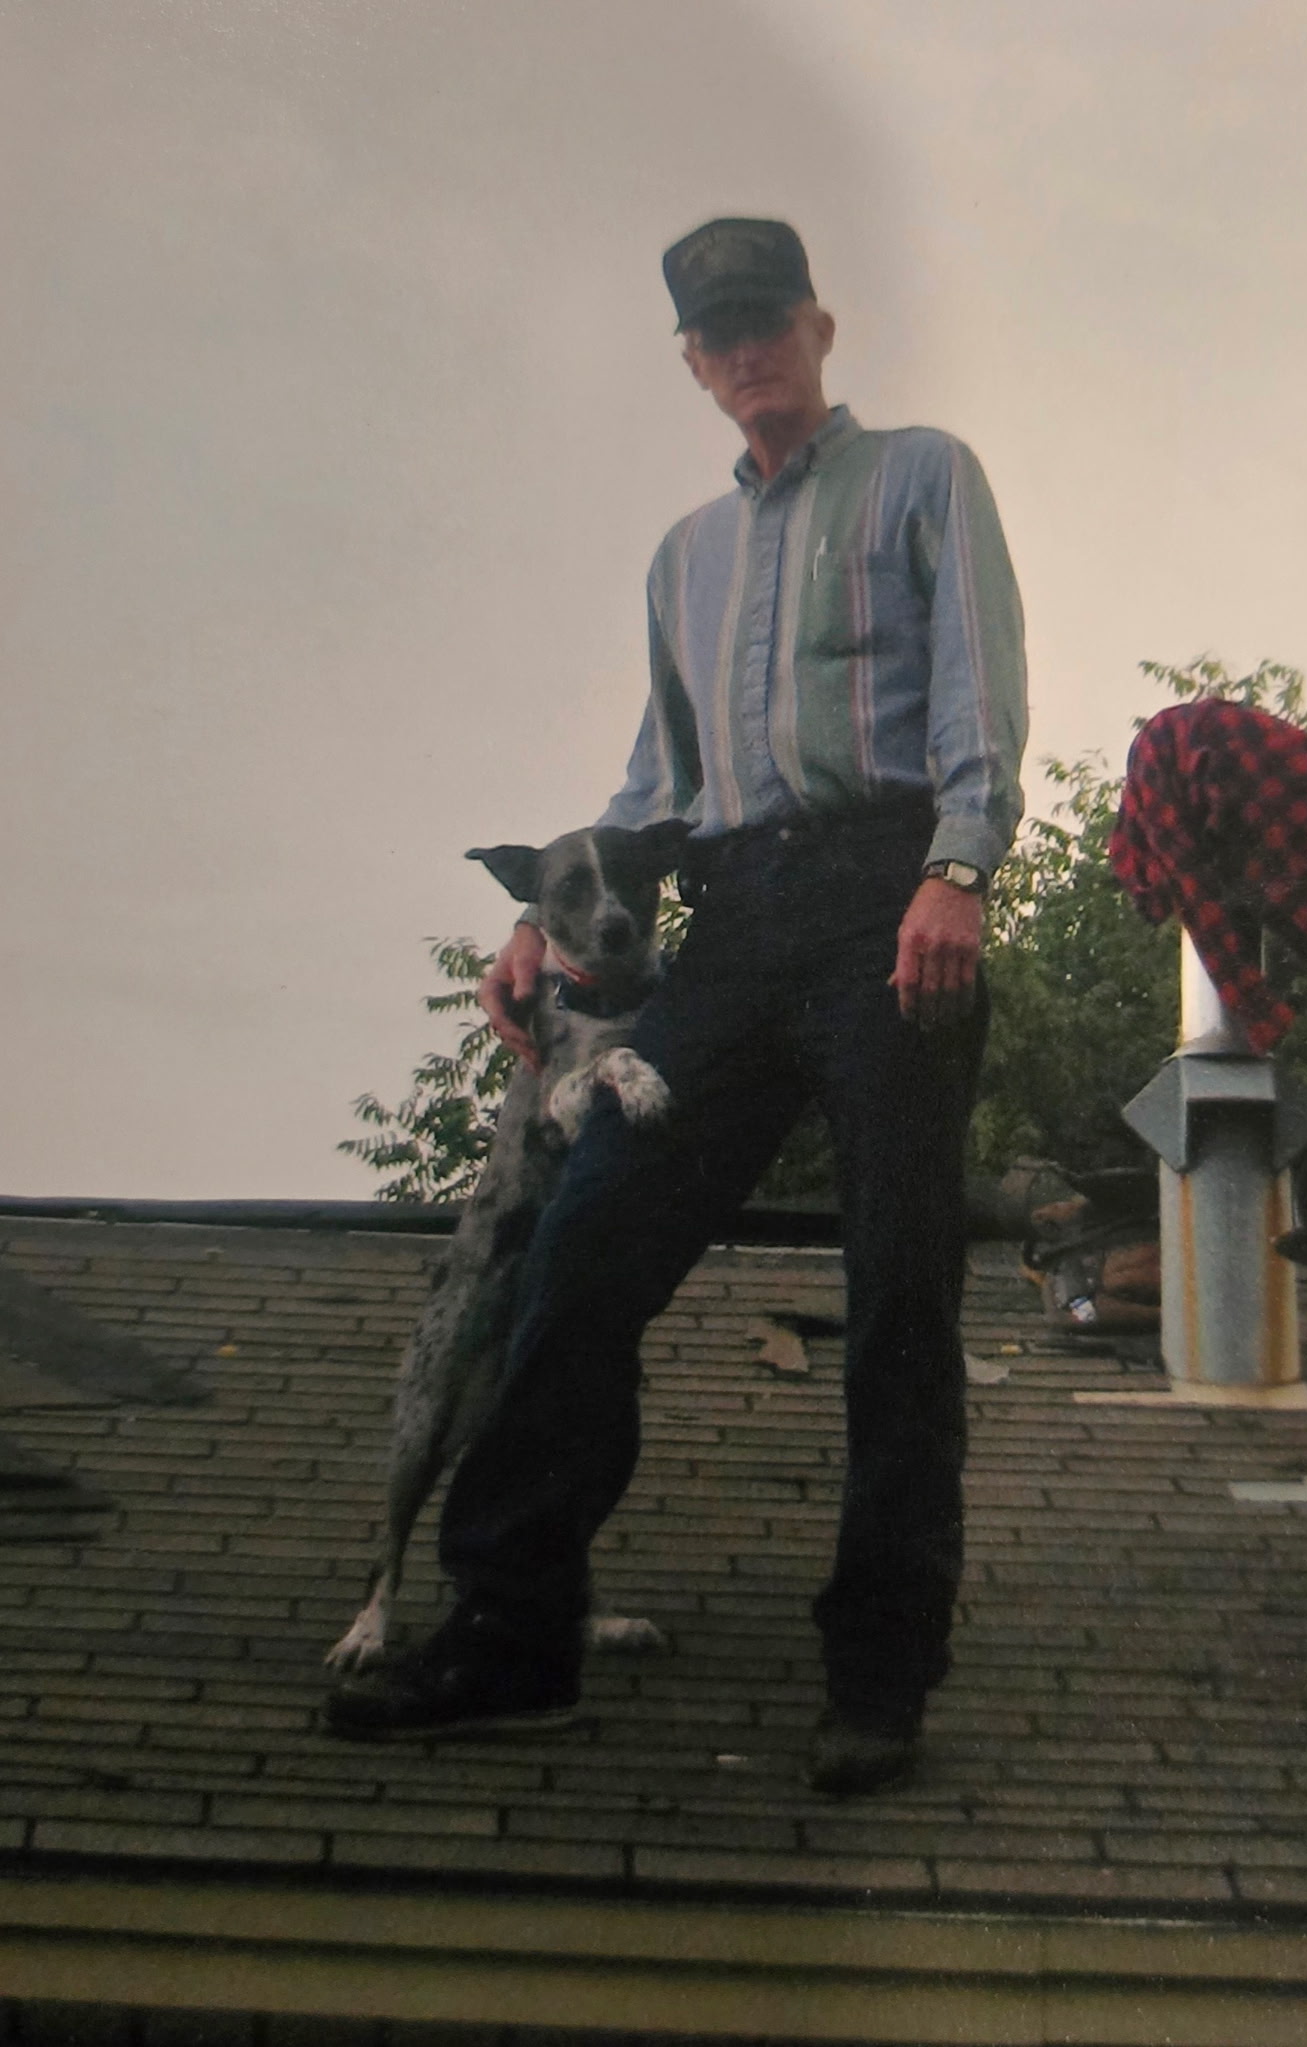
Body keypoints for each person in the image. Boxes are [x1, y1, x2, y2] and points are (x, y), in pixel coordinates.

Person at [328, 218, 1029, 1794]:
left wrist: (957, 871)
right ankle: (512, 1637)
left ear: (819, 328)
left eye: (767, 319)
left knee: (897, 1288)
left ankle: (878, 1674)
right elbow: (656, 787)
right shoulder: (684, 560)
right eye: (717, 334)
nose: (746, 350)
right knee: (582, 1236)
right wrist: (536, 922)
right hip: (731, 921)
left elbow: (979, 691)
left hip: (887, 900)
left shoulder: (923, 476)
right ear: (693, 364)